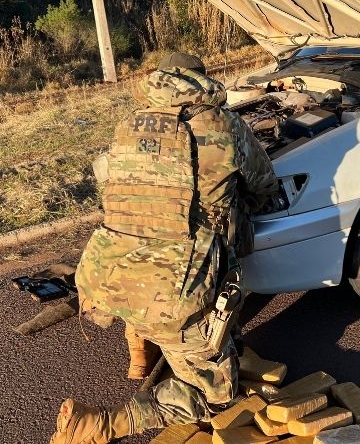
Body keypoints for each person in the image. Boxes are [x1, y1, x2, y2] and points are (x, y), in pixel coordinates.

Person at [50, 53, 279, 444]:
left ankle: (141, 349)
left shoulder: (129, 125)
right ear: (201, 81)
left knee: (148, 256)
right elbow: (264, 186)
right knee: (216, 396)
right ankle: (101, 425)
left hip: (107, 273)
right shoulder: (223, 124)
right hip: (172, 289)